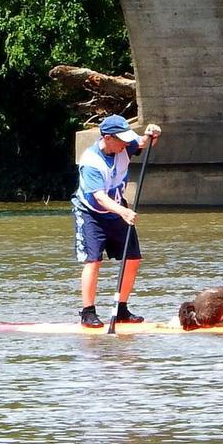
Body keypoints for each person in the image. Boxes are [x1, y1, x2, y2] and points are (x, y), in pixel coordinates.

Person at [72, 113, 161, 328]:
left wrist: (153, 134)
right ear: (107, 137)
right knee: (93, 261)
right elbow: (99, 197)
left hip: (117, 210)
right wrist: (123, 211)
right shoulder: (91, 161)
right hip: (91, 213)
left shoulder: (124, 146)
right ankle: (88, 312)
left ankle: (121, 309)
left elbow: (144, 142)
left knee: (133, 258)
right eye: (121, 139)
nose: (125, 143)